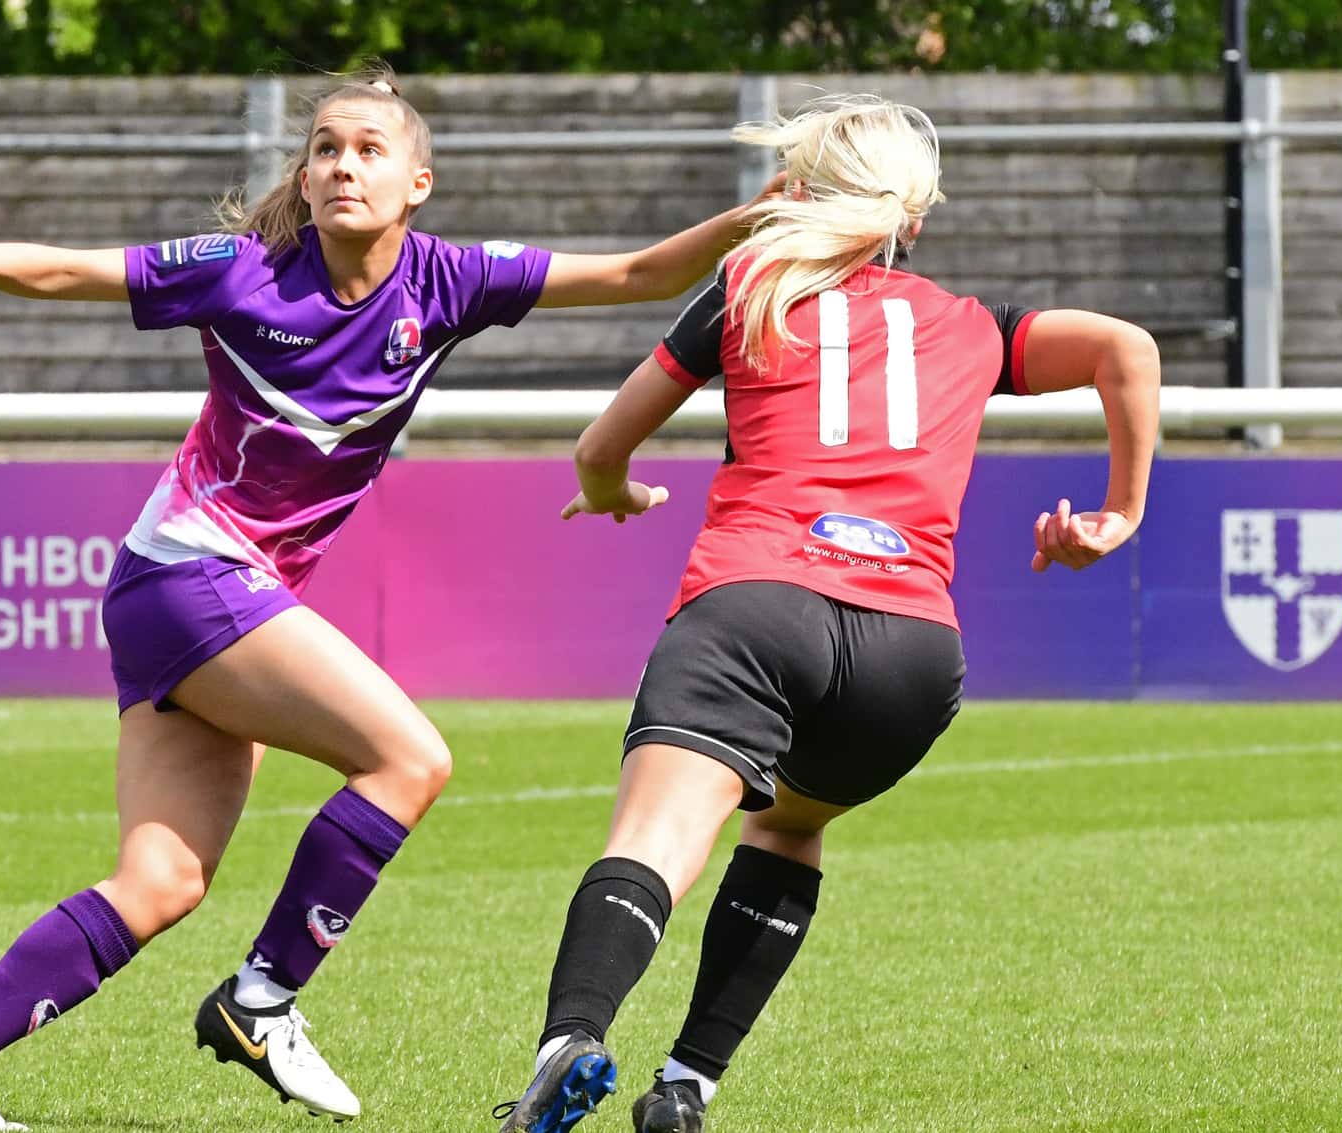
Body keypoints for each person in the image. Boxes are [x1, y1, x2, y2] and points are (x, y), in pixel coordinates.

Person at [0, 66, 783, 1130]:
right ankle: (261, 997)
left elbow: (634, 273)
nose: (344, 165)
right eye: (327, 149)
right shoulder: (242, 270)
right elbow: (74, 271)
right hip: (187, 575)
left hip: (191, 591)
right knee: (411, 758)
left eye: (369, 150)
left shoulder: (450, 279)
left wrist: (755, 217)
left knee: (160, 879)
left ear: (418, 182)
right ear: (304, 177)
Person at [495, 93, 1161, 1133]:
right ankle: (685, 1085)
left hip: (757, 602)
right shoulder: (974, 324)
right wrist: (1117, 513)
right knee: (791, 823)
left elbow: (599, 446)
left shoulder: (749, 286)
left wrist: (614, 489)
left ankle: (571, 1036)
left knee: (660, 835)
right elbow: (1126, 347)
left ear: (795, 193)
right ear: (915, 216)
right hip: (911, 649)